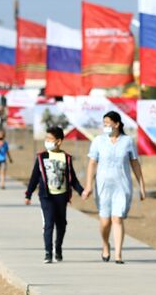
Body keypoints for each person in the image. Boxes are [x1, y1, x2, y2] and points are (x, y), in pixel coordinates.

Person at [83, 110, 146, 264]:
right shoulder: (98, 141)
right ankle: (105, 245)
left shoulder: (128, 141)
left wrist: (142, 186)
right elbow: (92, 163)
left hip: (122, 186)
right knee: (105, 222)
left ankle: (118, 254)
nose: (105, 126)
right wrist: (88, 185)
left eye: (108, 124)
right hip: (103, 186)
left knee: (117, 218)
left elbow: (135, 164)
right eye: (104, 124)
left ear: (117, 124)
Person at [24, 126, 84, 263]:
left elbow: (72, 179)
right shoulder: (41, 157)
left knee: (61, 224)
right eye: (46, 138)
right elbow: (34, 177)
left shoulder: (66, 158)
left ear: (59, 141)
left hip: (61, 196)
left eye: (50, 139)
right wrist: (28, 194)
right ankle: (48, 252)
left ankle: (58, 248)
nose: (47, 141)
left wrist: (81, 191)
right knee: (49, 223)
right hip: (46, 196)